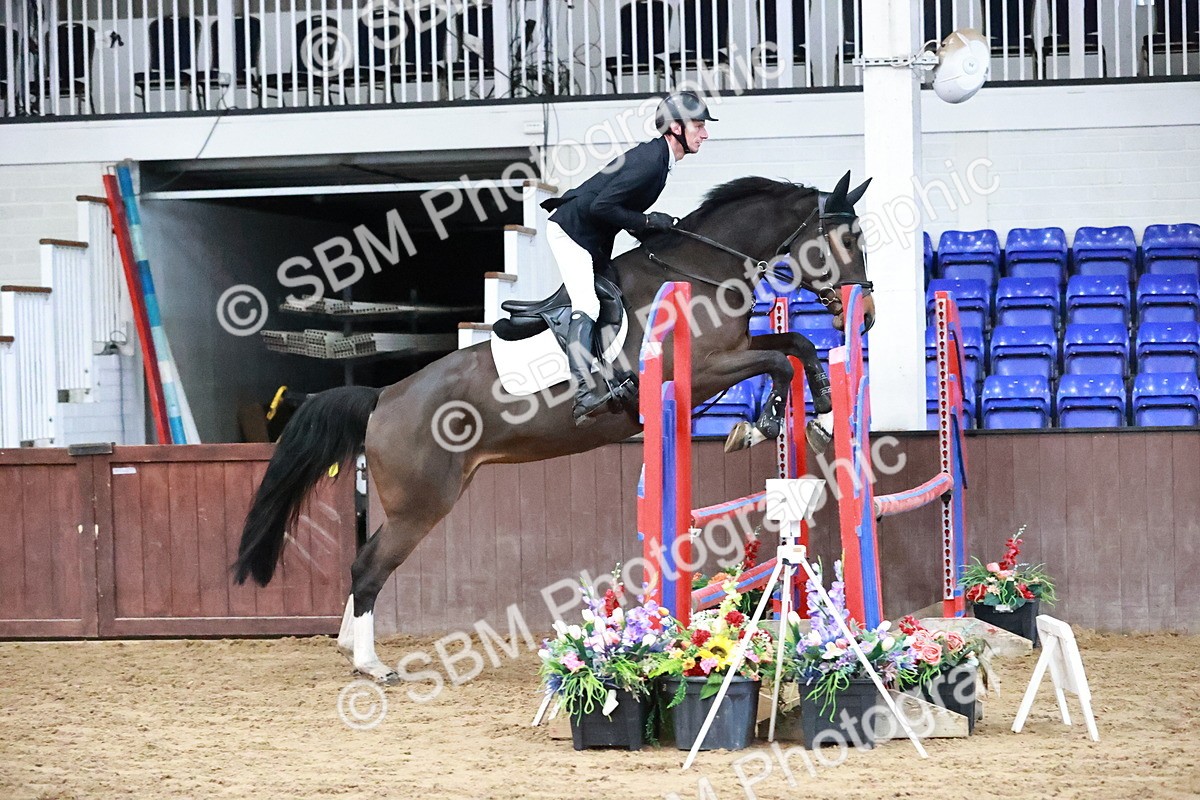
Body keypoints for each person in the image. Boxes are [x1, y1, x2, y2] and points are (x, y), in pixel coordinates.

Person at [541, 91, 716, 425]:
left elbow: (622, 210)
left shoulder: (660, 159)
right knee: (588, 306)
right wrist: (649, 223)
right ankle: (583, 391)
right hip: (570, 232)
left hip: (591, 237)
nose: (704, 133)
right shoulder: (651, 160)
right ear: (676, 128)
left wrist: (656, 235)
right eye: (698, 125)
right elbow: (602, 207)